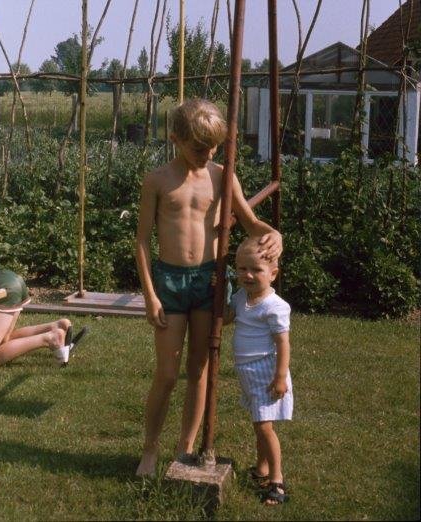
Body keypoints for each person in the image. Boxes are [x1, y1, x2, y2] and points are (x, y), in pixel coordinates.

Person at [134, 98, 283, 477]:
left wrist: (274, 234)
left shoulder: (222, 176)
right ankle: (150, 449)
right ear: (176, 139)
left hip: (208, 281)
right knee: (167, 374)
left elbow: (252, 224)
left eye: (214, 147)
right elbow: (142, 242)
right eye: (200, 148)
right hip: (169, 282)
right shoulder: (157, 180)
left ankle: (185, 448)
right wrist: (150, 295)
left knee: (198, 370)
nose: (209, 154)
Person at [225, 237, 292, 506]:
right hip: (247, 372)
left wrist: (280, 377)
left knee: (265, 428)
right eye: (242, 269)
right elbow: (226, 318)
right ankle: (262, 469)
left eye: (256, 269)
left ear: (273, 274)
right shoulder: (242, 297)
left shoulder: (275, 306)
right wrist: (221, 291)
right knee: (259, 424)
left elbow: (283, 343)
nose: (248, 275)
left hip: (266, 373)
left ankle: (277, 480)